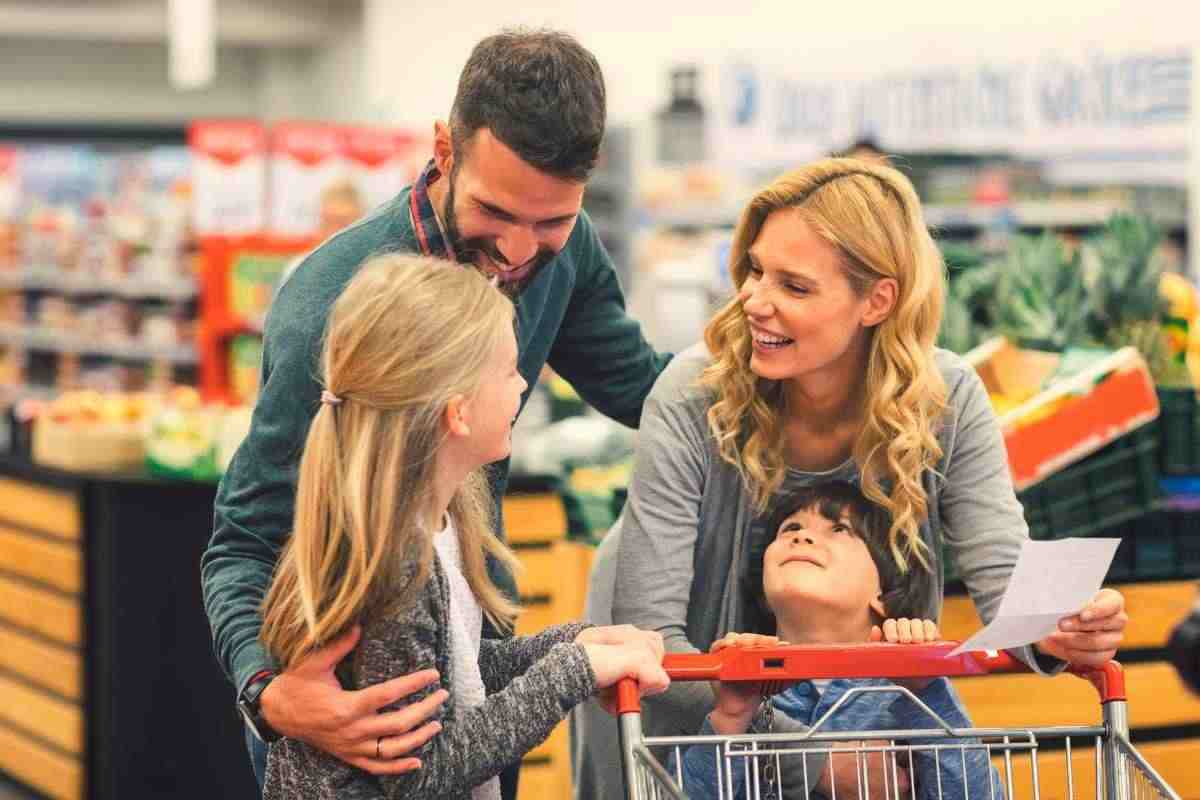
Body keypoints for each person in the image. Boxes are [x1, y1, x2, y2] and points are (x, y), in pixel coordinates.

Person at [201, 28, 671, 794]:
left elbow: (645, 389)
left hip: (471, 670)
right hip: (341, 713)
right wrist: (269, 691)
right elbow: (244, 539)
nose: (519, 252)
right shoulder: (333, 300)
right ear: (445, 149)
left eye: (551, 222)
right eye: (495, 210)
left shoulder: (569, 247)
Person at [574, 157, 1128, 799]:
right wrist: (810, 760)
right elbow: (656, 650)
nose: (753, 300)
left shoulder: (946, 400)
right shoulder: (693, 395)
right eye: (755, 270)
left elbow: (1008, 590)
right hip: (675, 675)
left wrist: (1061, 627)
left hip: (858, 705)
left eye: (795, 286)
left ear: (877, 300)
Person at [259, 254, 669, 800]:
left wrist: (574, 644)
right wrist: (572, 672)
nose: (523, 384)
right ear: (458, 413)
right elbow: (420, 776)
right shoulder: (397, 563)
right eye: (508, 370)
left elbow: (455, 676)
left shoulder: (440, 522)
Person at [678, 481, 1002, 800]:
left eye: (838, 530)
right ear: (763, 593)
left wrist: (927, 690)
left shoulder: (910, 687)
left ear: (884, 594)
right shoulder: (745, 689)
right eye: (790, 528)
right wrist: (731, 716)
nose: (801, 536)